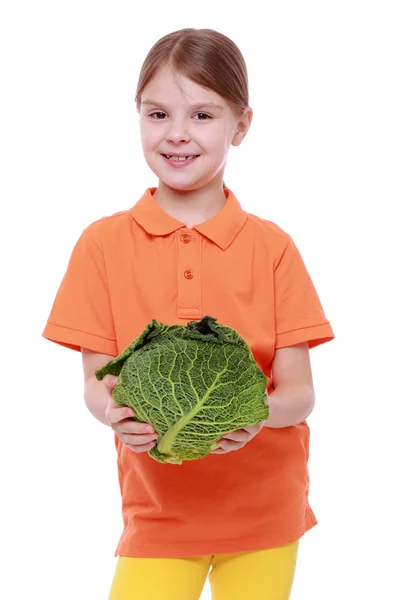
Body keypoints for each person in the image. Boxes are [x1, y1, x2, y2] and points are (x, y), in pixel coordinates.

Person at [43, 28, 334, 600]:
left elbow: (299, 393)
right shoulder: (102, 245)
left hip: (265, 512)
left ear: (241, 125)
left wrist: (255, 415)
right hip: (158, 514)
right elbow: (97, 385)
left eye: (203, 115)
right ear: (138, 118)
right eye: (158, 114)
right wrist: (114, 415)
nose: (177, 134)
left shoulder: (273, 248)